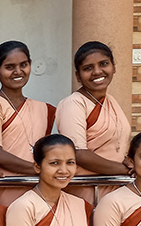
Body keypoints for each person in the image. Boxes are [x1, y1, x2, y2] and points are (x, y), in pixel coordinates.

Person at [0, 41, 57, 206]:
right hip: (2, 190)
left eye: (24, 65)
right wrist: (39, 170)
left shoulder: (43, 109)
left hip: (36, 190)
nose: (18, 72)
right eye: (10, 67)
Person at [56, 41, 131, 203]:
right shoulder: (73, 104)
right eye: (88, 68)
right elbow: (78, 153)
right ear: (78, 75)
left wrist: (127, 162)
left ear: (114, 67)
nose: (97, 72)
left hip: (114, 187)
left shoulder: (110, 101)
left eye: (104, 64)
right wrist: (125, 171)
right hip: (86, 189)